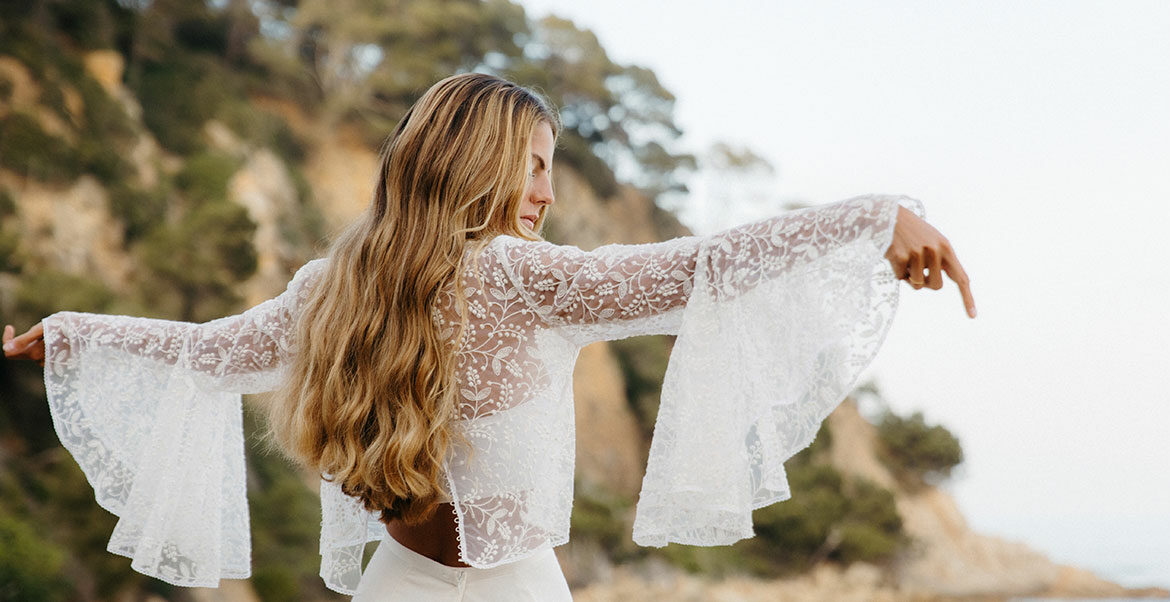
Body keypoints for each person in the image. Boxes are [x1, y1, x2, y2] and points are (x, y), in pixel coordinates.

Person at [3, 72, 975, 600]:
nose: (546, 194)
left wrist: (77, 336)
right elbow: (697, 267)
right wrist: (873, 217)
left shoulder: (335, 286)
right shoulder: (498, 277)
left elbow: (200, 352)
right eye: (535, 167)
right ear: (473, 163)